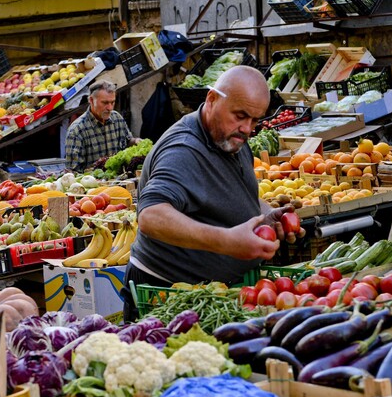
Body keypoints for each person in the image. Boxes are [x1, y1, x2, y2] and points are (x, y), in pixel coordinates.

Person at [122, 66, 301, 322]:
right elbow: (151, 215)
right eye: (240, 116)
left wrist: (265, 215)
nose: (248, 129)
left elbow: (236, 191)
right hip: (169, 298)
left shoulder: (229, 137)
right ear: (212, 99)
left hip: (214, 295)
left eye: (255, 120)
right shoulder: (183, 151)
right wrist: (226, 240)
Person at [65, 80, 141, 171]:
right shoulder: (77, 130)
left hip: (120, 181)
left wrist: (136, 141)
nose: (110, 108)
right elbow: (73, 171)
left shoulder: (117, 118)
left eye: (112, 102)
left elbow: (128, 141)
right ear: (91, 100)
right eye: (105, 103)